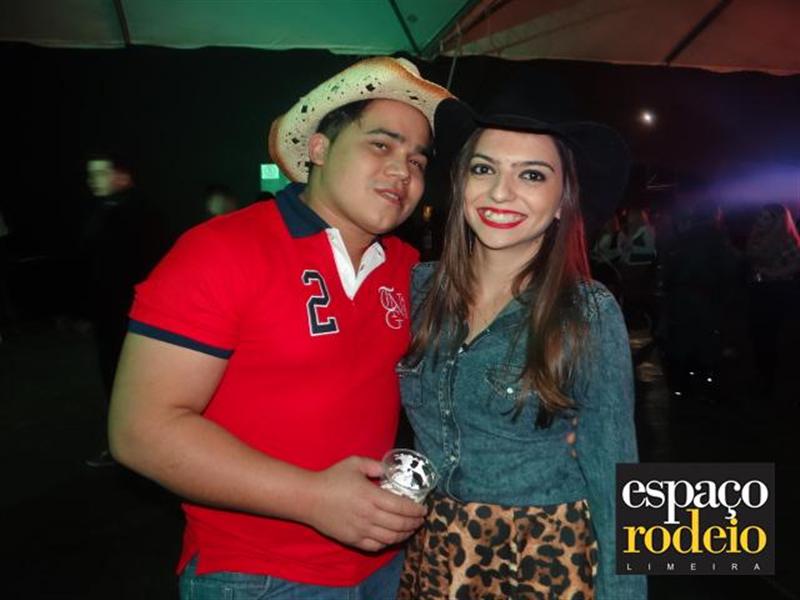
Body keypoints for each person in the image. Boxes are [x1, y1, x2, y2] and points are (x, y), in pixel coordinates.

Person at [108, 57, 452, 599]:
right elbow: (140, 431)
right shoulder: (221, 250)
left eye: (417, 159)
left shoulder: (407, 268)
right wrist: (312, 498)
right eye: (381, 145)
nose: (402, 171)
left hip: (385, 564)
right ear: (319, 148)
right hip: (257, 574)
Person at [396, 97, 646, 599]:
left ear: (562, 201)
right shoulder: (417, 289)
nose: (500, 192)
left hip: (542, 559)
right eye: (484, 169)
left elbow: (616, 473)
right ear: (460, 182)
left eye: (531, 175)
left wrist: (626, 592)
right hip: (435, 553)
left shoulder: (588, 312)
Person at [82, 151, 166, 467]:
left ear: (122, 176)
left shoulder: (135, 213)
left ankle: (136, 448)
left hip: (129, 315)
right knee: (118, 377)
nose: (93, 181)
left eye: (100, 173)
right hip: (112, 314)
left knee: (130, 381)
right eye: (91, 174)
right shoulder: (106, 210)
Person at [746, 203, 800, 402]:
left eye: (766, 218)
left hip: (777, 292)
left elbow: (796, 265)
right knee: (758, 335)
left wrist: (771, 273)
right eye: (760, 216)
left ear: (778, 222)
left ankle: (769, 381)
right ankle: (762, 376)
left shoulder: (785, 239)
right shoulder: (757, 236)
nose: (760, 221)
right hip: (759, 291)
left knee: (771, 336)